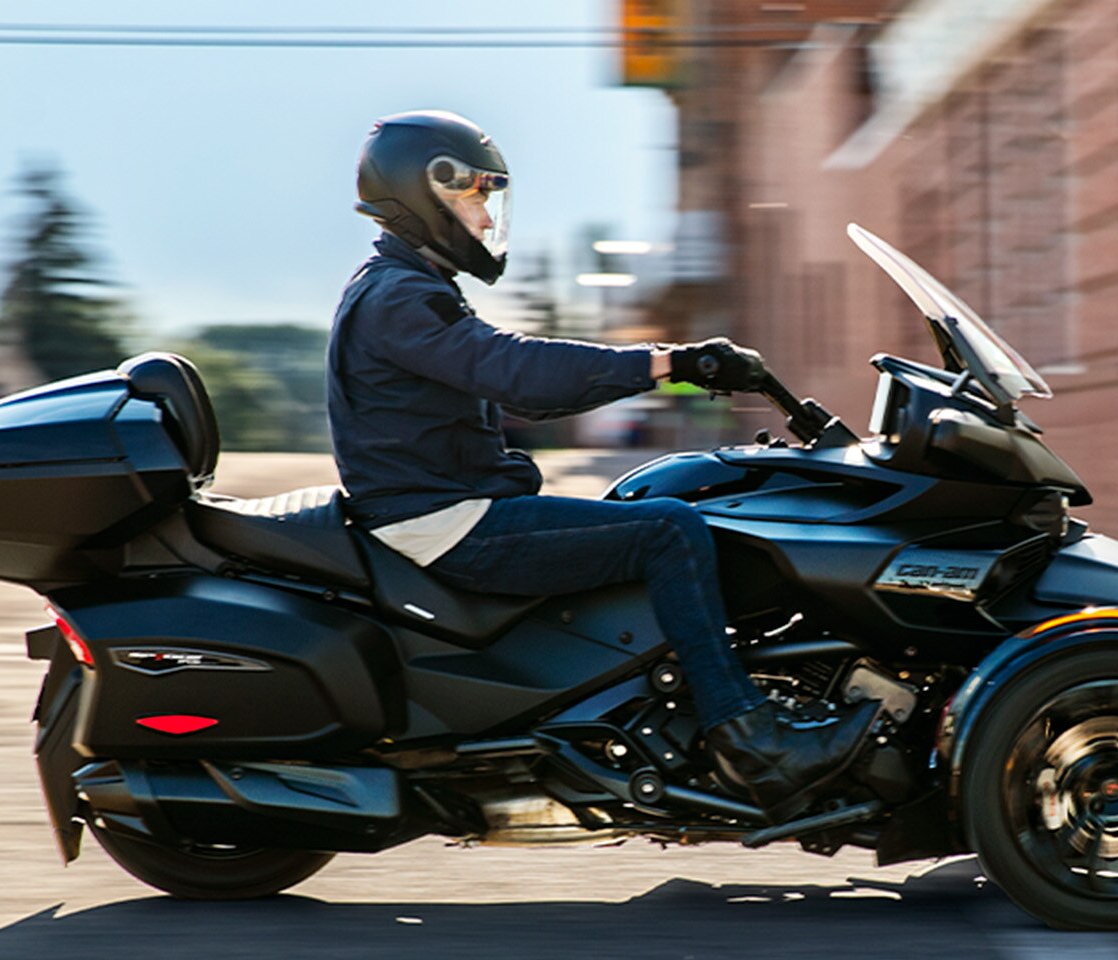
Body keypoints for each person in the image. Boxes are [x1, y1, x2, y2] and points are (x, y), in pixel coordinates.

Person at [327, 109, 870, 814]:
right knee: (669, 530)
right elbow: (518, 369)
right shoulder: (400, 297)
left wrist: (673, 371)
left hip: (446, 512)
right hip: (443, 523)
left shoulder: (399, 289)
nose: (488, 222)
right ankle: (750, 738)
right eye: (475, 200)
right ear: (427, 192)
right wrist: (672, 363)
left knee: (656, 508)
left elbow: (528, 389)